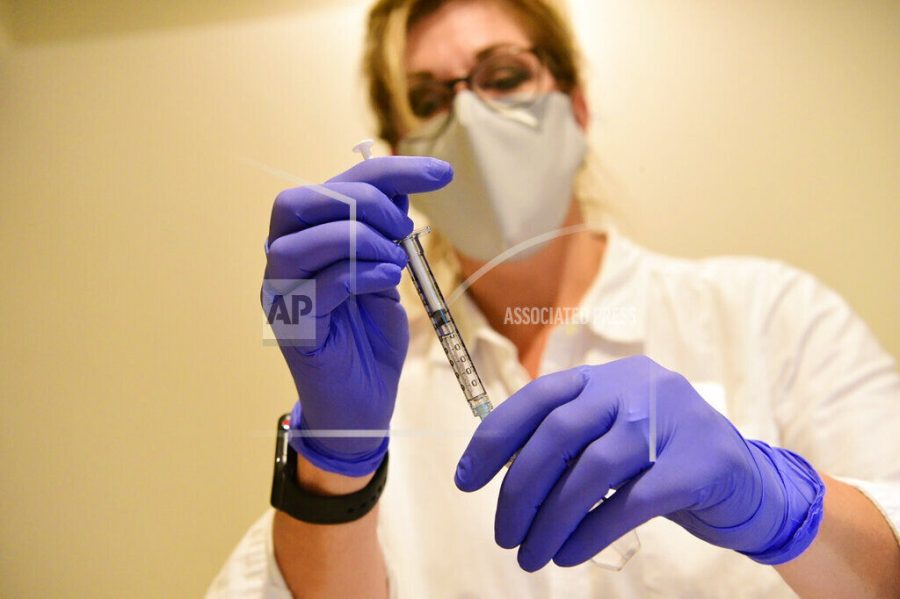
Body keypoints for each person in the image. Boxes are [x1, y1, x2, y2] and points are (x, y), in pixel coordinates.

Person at [208, 1, 900, 597]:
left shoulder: (771, 315)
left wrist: (779, 504)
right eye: (429, 99)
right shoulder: (385, 397)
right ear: (396, 154)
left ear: (576, 104)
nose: (471, 116)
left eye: (504, 77)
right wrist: (334, 463)